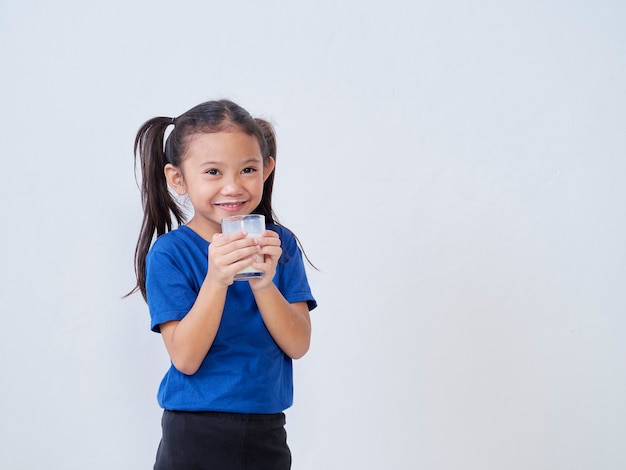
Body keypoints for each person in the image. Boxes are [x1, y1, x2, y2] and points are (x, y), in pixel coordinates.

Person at [128, 99, 317, 469]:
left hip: (267, 429)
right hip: (195, 432)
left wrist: (265, 284)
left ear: (266, 169)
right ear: (177, 178)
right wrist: (216, 280)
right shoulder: (170, 254)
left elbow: (298, 344)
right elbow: (185, 357)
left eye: (248, 169)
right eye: (213, 172)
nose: (232, 187)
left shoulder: (281, 245)